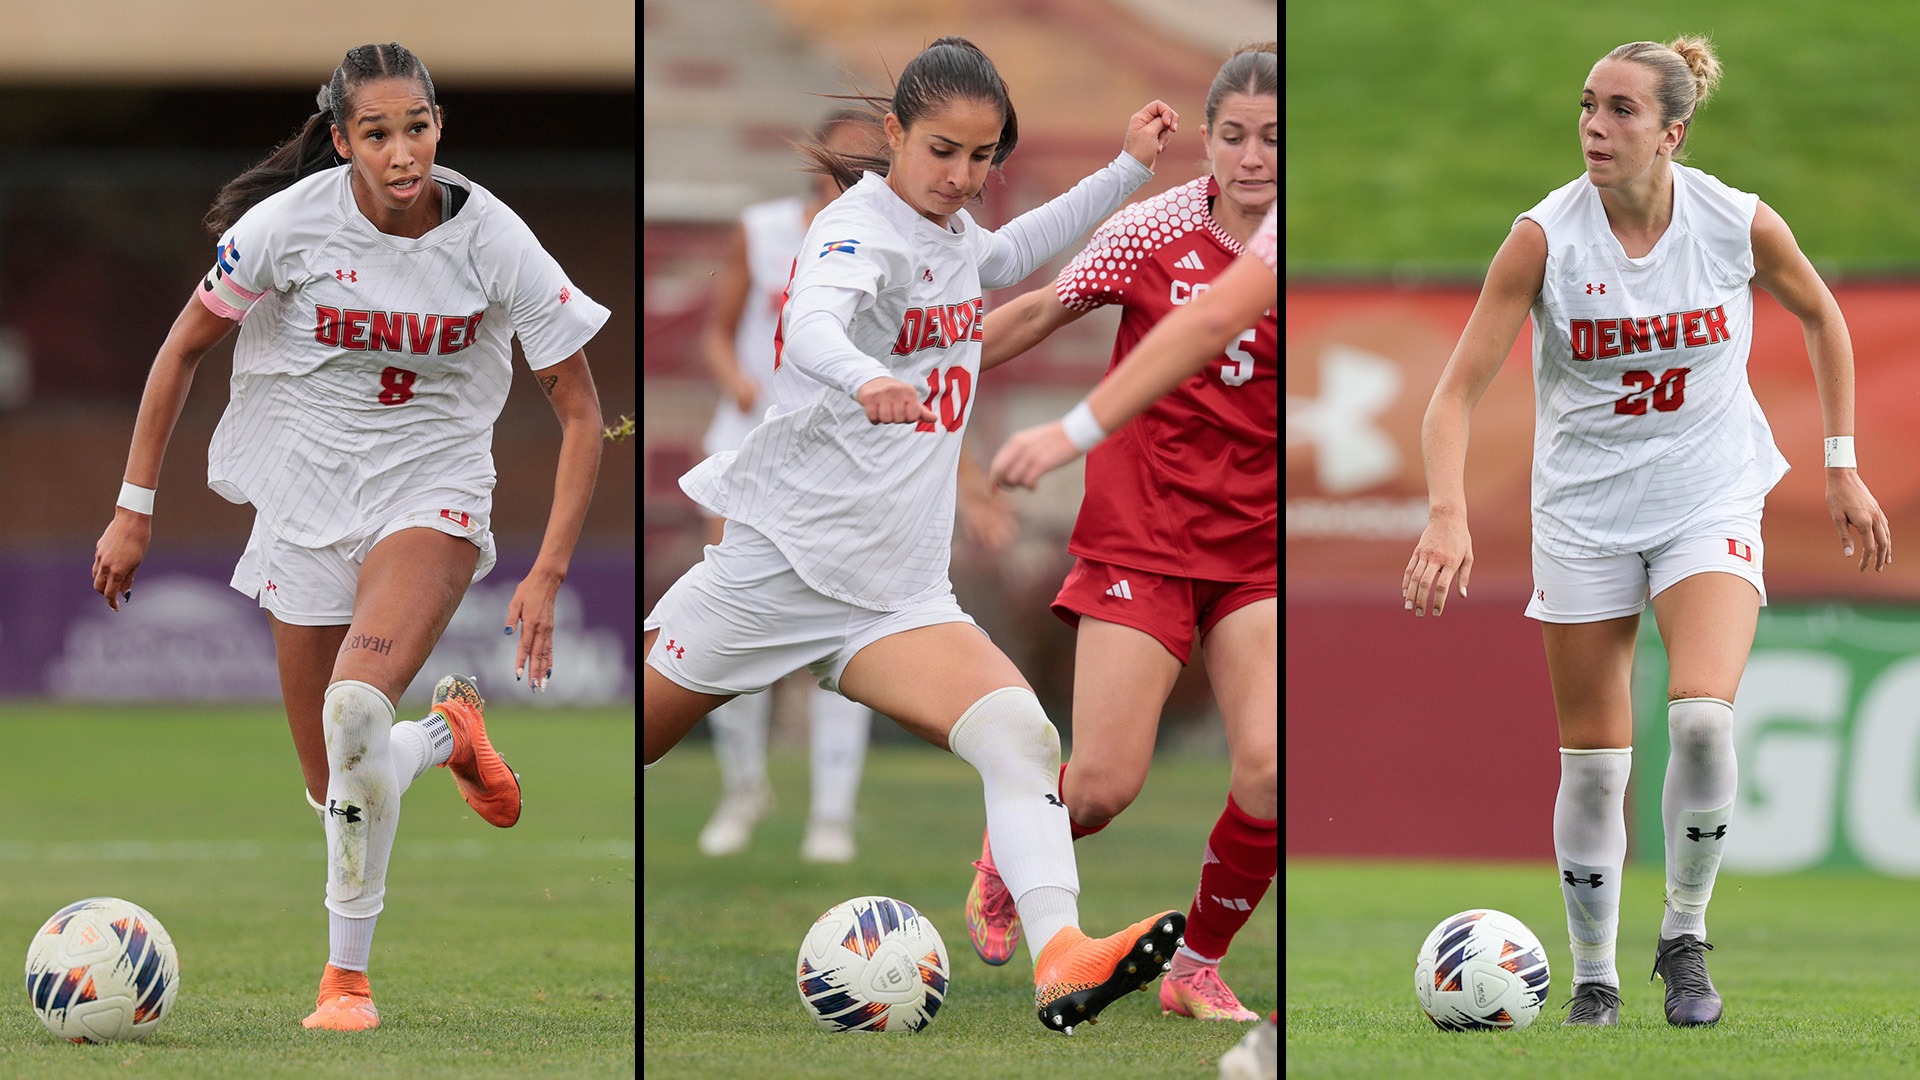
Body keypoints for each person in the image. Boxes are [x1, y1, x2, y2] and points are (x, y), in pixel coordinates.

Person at [643, 35, 1186, 1034]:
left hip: (894, 596)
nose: (962, 178)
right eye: (943, 152)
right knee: (628, 740)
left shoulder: (950, 232)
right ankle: (467, 756)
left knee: (1022, 738)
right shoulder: (858, 232)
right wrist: (866, 375)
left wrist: (1124, 171)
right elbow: (813, 323)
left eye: (982, 159)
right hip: (781, 570)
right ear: (893, 133)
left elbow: (1009, 254)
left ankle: (1062, 957)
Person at [90, 42, 610, 1031]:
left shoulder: (492, 236)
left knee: (352, 709)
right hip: (303, 497)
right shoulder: (284, 228)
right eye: (378, 133)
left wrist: (546, 570)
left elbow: (585, 415)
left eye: (417, 126)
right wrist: (133, 505)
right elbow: (180, 351)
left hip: (433, 493)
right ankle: (447, 737)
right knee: (335, 784)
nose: (403, 150)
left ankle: (345, 983)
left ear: (438, 126)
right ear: (342, 143)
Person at [1401, 37, 1891, 1028]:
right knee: (1596, 763)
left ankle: (1684, 935)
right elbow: (1454, 394)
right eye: (1587, 105)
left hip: (1708, 494)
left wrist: (1840, 461)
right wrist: (1445, 511)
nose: (1594, 125)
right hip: (1582, 514)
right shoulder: (1543, 239)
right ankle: (1593, 978)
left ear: (1672, 132)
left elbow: (1824, 318)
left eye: (1621, 110)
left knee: (1704, 717)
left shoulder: (1732, 221)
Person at [966, 43, 1276, 1025]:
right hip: (1144, 531)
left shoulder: (1297, 249)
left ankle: (1196, 967)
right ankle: (1010, 852)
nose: (1254, 157)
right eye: (1233, 135)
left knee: (1272, 765)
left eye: (1275, 138)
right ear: (1208, 141)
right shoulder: (1154, 229)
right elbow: (1041, 310)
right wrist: (934, 372)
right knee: (1100, 788)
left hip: (1258, 549)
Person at [692, 111, 1019, 863]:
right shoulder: (767, 229)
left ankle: (831, 814)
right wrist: (734, 376)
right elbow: (722, 325)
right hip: (752, 449)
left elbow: (936, 373)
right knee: (730, 640)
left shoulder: (913, 241)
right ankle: (743, 789)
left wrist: (966, 483)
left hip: (855, 462)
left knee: (849, 645)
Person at [989, 202, 1274, 489]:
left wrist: (1072, 433)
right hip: (1141, 508)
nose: (1251, 159)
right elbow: (1036, 314)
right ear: (1209, 152)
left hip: (1260, 507)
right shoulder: (1153, 225)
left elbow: (1212, 322)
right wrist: (944, 363)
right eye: (1233, 151)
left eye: (1273, 152)